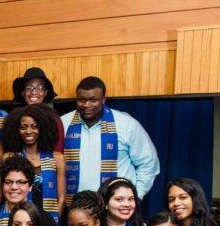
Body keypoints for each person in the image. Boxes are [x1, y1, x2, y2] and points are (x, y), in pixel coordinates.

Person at [60, 76, 160, 205]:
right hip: (74, 208)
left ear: (103, 100)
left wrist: (137, 195)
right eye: (81, 100)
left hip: (116, 208)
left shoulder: (126, 124)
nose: (86, 105)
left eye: (93, 100)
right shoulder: (63, 123)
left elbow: (149, 163)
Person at [0, 104, 65, 225]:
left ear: (43, 128)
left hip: (47, 223)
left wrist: (51, 224)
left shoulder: (57, 158)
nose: (28, 131)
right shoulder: (9, 157)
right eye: (23, 127)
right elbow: (1, 195)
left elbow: (61, 198)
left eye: (34, 127)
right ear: (16, 130)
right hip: (18, 224)